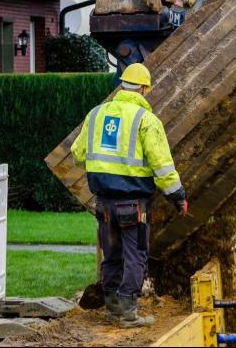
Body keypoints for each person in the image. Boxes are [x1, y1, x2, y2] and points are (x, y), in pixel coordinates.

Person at [71, 63, 188, 327]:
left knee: (112, 255)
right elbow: (162, 167)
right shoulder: (146, 120)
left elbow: (78, 154)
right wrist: (178, 196)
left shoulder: (97, 114)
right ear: (144, 89)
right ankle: (127, 313)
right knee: (135, 256)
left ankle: (113, 311)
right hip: (133, 205)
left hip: (103, 204)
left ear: (121, 85)